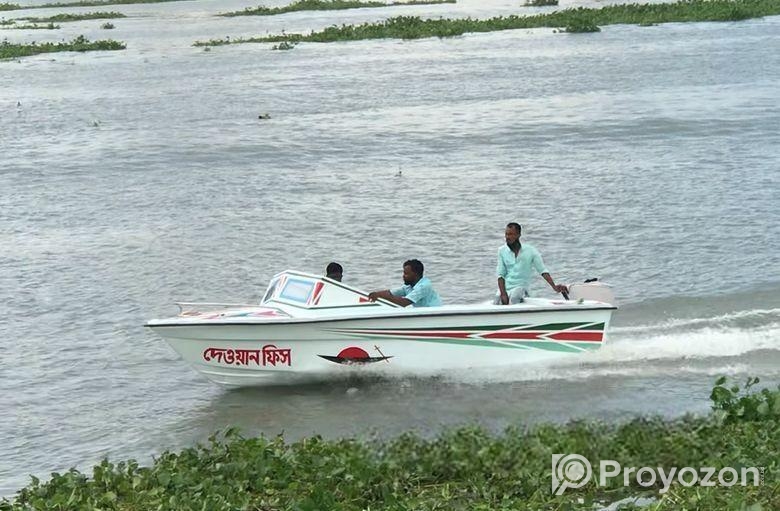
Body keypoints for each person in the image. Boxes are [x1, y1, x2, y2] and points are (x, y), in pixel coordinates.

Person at [496, 222, 567, 304]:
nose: (508, 237)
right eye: (506, 234)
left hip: (521, 287)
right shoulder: (502, 251)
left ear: (518, 235)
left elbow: (542, 270)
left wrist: (554, 287)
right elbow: (500, 275)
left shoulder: (530, 251)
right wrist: (503, 293)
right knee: (497, 300)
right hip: (506, 288)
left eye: (511, 234)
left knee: (514, 298)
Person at [368, 259, 441, 307]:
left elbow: (404, 303)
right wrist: (376, 294)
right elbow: (390, 293)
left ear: (415, 274)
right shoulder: (408, 286)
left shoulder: (424, 286)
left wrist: (384, 297)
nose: (403, 276)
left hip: (432, 314)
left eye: (406, 273)